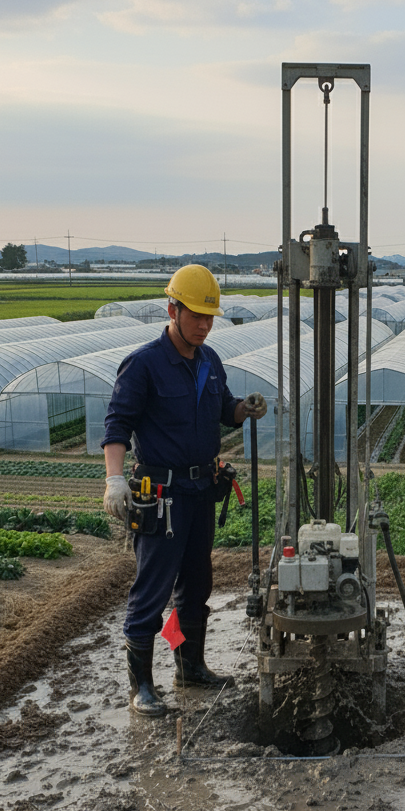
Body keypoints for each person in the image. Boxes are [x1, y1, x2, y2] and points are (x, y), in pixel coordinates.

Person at [101, 264, 267, 717]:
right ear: (172, 309)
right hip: (163, 497)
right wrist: (115, 479)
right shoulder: (145, 364)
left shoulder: (209, 362)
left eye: (210, 318)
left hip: (200, 491)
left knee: (196, 586)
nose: (204, 325)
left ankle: (188, 665)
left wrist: (243, 409)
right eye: (195, 315)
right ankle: (142, 685)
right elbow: (117, 425)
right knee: (152, 590)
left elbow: (222, 410)